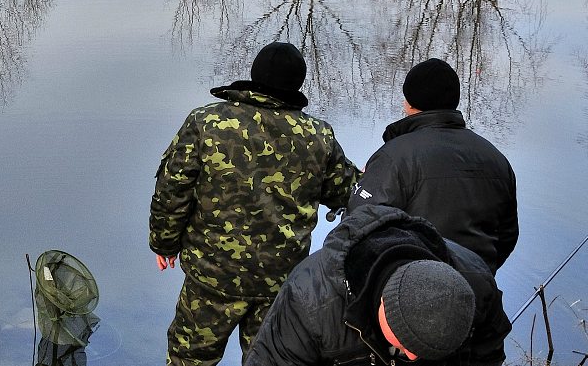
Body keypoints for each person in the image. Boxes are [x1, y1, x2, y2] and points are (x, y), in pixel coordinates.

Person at [149, 42, 359, 366]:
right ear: (297, 84)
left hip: (211, 276)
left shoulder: (206, 122)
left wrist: (164, 243)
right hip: (279, 280)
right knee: (271, 360)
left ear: (254, 75)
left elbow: (172, 188)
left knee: (188, 360)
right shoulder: (318, 136)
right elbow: (346, 193)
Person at [245, 203, 510, 366]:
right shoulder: (309, 298)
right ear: (384, 304)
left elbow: (486, 356)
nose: (413, 357)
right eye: (406, 342)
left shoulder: (477, 285)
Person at [347, 58, 518, 272]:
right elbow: (506, 237)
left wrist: (368, 180)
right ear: (454, 101)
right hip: (479, 285)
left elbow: (356, 227)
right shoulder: (497, 160)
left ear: (409, 103)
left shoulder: (394, 157)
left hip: (409, 286)